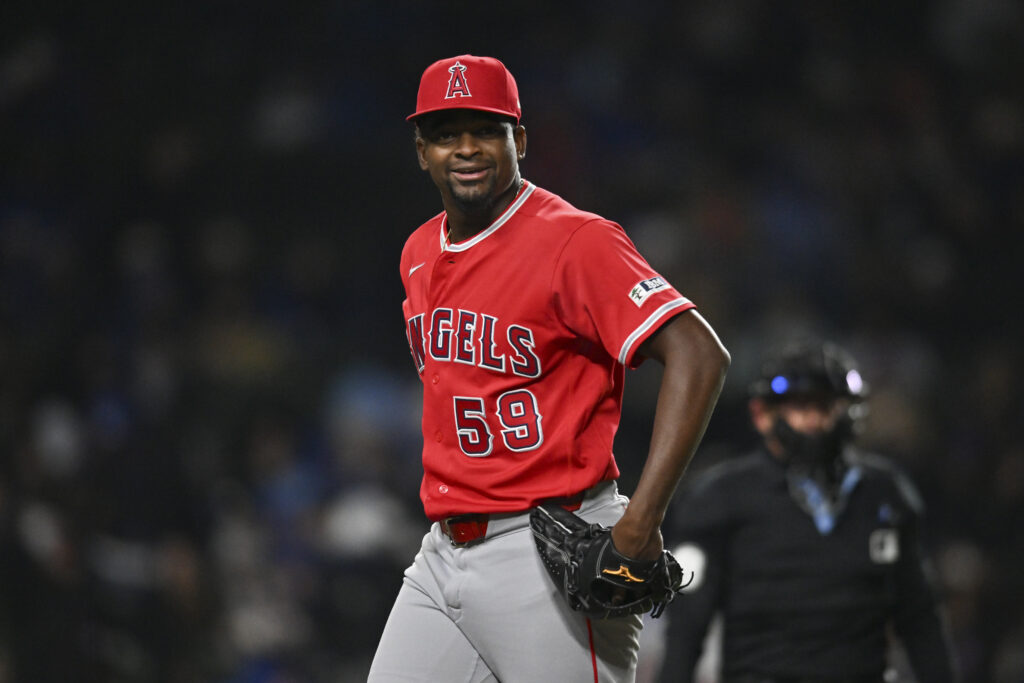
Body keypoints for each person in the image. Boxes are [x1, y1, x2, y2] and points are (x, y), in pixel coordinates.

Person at [367, 54, 730, 683]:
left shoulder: (576, 241)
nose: (467, 148)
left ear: (521, 141)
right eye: (447, 134)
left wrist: (642, 521)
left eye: (487, 130)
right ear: (422, 151)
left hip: (549, 547)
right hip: (442, 553)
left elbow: (699, 355)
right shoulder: (419, 251)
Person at [656, 339, 957, 683]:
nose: (815, 420)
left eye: (827, 406)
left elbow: (920, 618)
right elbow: (687, 627)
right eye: (800, 406)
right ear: (762, 414)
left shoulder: (885, 493)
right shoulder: (721, 498)